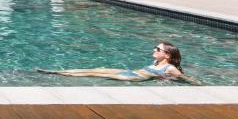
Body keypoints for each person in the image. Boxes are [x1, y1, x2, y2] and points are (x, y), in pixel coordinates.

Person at [38, 42, 185, 81]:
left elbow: (184, 78)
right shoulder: (156, 63)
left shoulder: (170, 68)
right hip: (131, 72)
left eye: (157, 49)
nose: (154, 50)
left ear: (167, 55)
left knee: (95, 75)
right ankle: (58, 72)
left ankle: (57, 73)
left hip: (133, 77)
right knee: (97, 69)